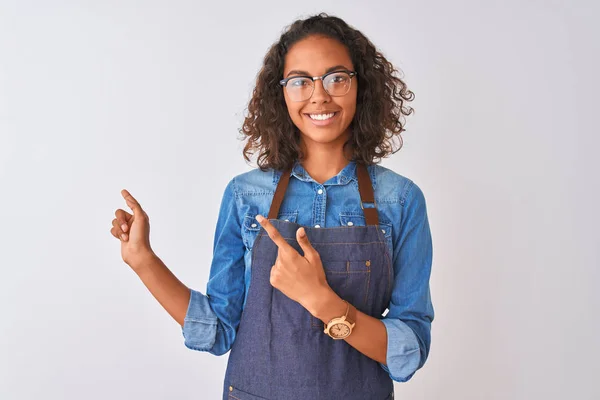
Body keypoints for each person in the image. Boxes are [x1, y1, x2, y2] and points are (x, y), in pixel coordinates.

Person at [110, 13, 434, 400]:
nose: (319, 95)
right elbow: (218, 330)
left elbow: (408, 349)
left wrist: (322, 302)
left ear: (360, 86)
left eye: (336, 78)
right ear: (280, 93)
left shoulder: (400, 200)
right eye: (300, 81)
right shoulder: (245, 196)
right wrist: (143, 260)